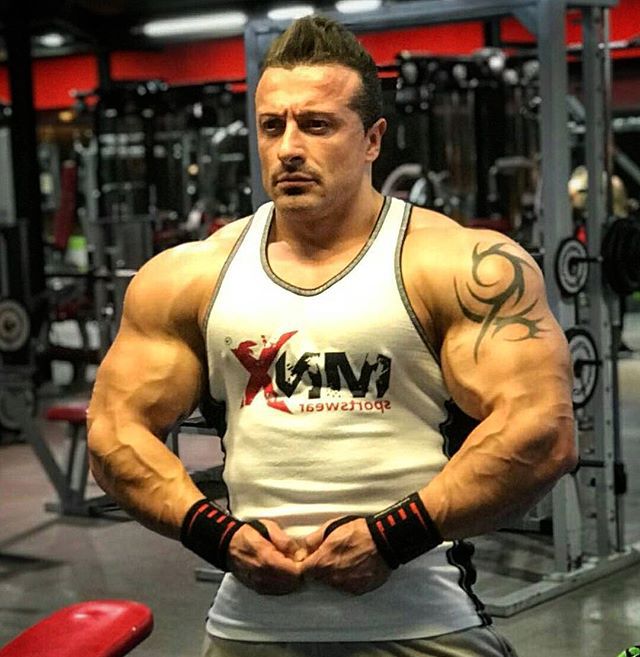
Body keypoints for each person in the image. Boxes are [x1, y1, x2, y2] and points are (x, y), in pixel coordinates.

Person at [87, 15, 577, 657]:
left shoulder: (459, 265)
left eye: (316, 125)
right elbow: (113, 434)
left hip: (423, 624)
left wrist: (393, 538)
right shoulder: (188, 277)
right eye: (273, 126)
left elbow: (542, 431)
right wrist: (218, 536)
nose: (289, 147)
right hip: (250, 628)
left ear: (373, 139)